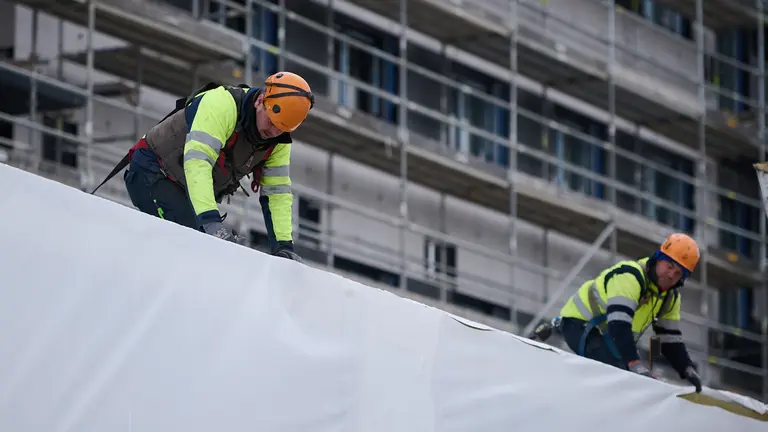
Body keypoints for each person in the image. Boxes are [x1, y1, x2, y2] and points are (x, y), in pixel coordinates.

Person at [118, 71, 313, 261]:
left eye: (282, 129)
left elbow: (277, 193)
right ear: (259, 101)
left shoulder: (278, 140)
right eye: (271, 122)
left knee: (202, 252)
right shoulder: (221, 105)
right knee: (194, 249)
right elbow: (198, 163)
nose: (273, 131)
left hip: (188, 191)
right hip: (153, 173)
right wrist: (210, 220)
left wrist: (284, 248)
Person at [532, 233, 703, 393]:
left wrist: (686, 368)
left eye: (678, 273)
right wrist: (634, 362)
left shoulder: (669, 298)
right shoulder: (630, 276)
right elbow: (619, 324)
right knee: (621, 380)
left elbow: (668, 339)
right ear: (658, 259)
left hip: (610, 338)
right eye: (669, 266)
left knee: (626, 378)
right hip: (580, 325)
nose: (670, 275)